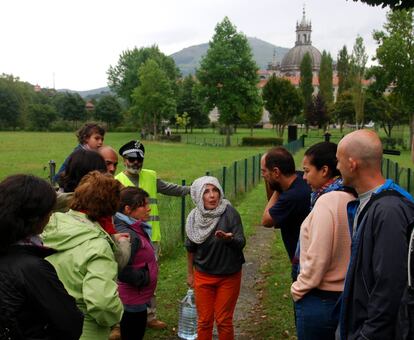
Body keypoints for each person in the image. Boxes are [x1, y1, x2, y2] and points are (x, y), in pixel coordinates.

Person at [337, 129, 414, 340]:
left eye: (339, 161)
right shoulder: (368, 203)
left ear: (352, 164)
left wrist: (368, 335)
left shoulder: (389, 212)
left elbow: (390, 286)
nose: (337, 167)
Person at [115, 139, 190, 329]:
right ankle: (118, 321)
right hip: (126, 238)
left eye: (139, 159)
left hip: (150, 238)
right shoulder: (116, 182)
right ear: (124, 159)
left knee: (150, 278)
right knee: (122, 280)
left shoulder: (151, 176)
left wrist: (193, 189)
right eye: (131, 159)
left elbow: (170, 189)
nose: (136, 162)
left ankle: (150, 316)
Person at [42, 171, 124, 340]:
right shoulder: (98, 245)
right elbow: (102, 304)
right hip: (86, 330)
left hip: (49, 323)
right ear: (111, 205)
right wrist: (116, 315)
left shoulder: (51, 225)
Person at [0, 174, 84, 340]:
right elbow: (70, 322)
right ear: (34, 218)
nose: (50, 217)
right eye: (49, 212)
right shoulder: (31, 268)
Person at [290, 142, 356, 340]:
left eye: (307, 171)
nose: (304, 177)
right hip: (344, 297)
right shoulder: (350, 196)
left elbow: (318, 257)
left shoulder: (327, 201)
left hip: (320, 300)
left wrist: (298, 288)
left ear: (325, 170)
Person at [186, 176, 245, 340]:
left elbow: (241, 242)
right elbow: (190, 248)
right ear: (198, 196)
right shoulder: (193, 218)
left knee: (223, 320)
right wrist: (190, 274)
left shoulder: (230, 213)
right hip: (203, 276)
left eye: (215, 190)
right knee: (204, 321)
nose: (212, 195)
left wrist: (229, 239)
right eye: (206, 191)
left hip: (229, 276)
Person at [261, 147, 311, 281]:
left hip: (304, 264)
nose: (263, 176)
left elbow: (266, 220)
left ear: (276, 172)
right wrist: (279, 185)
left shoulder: (291, 196)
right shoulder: (299, 178)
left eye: (264, 171)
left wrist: (279, 188)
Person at [114, 187, 158, 340]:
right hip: (132, 300)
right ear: (127, 209)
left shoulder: (135, 227)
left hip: (137, 298)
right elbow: (119, 267)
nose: (149, 208)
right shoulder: (129, 234)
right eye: (143, 205)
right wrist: (142, 278)